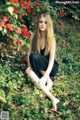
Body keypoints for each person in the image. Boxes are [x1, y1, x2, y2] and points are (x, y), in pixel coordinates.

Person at [26, 13, 60, 112]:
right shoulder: (34, 36)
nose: (42, 24)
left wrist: (45, 77)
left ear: (48, 25)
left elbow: (51, 60)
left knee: (34, 57)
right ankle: (52, 98)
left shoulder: (51, 39)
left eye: (45, 23)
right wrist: (29, 66)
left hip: (51, 67)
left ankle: (49, 80)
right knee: (29, 72)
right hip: (40, 66)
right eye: (41, 22)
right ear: (38, 24)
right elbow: (29, 53)